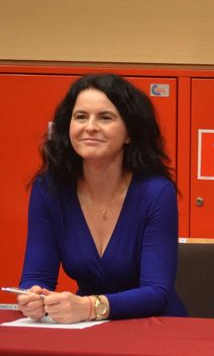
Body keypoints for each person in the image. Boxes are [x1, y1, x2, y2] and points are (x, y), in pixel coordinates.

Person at [16, 73, 186, 323]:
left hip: (155, 326)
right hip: (87, 327)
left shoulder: (156, 191)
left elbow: (157, 292)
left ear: (129, 133)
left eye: (105, 117)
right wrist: (33, 297)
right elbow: (37, 276)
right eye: (81, 116)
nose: (90, 127)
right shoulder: (49, 188)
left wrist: (90, 307)